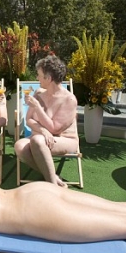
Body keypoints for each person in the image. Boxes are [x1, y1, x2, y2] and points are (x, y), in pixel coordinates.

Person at [14, 55, 80, 186]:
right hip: (41, 136)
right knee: (19, 146)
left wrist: (37, 107)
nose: (37, 78)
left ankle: (52, 186)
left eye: (39, 75)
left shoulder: (69, 100)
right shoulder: (38, 93)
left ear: (49, 78)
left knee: (37, 140)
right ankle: (53, 177)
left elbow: (55, 129)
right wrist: (42, 130)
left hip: (65, 139)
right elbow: (28, 120)